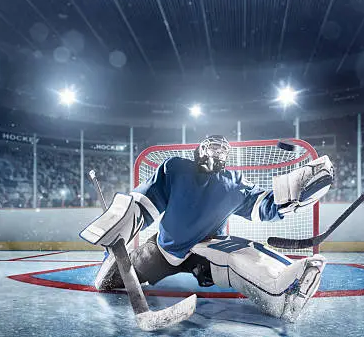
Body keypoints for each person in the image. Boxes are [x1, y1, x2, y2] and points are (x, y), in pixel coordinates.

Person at [80, 135, 334, 321]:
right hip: (163, 250)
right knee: (114, 279)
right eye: (212, 146)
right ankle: (110, 267)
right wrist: (116, 240)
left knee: (238, 253)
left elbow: (263, 205)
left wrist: (292, 195)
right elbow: (144, 204)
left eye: (222, 149)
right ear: (200, 149)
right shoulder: (176, 168)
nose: (217, 152)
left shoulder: (234, 183)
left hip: (207, 247)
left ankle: (283, 292)